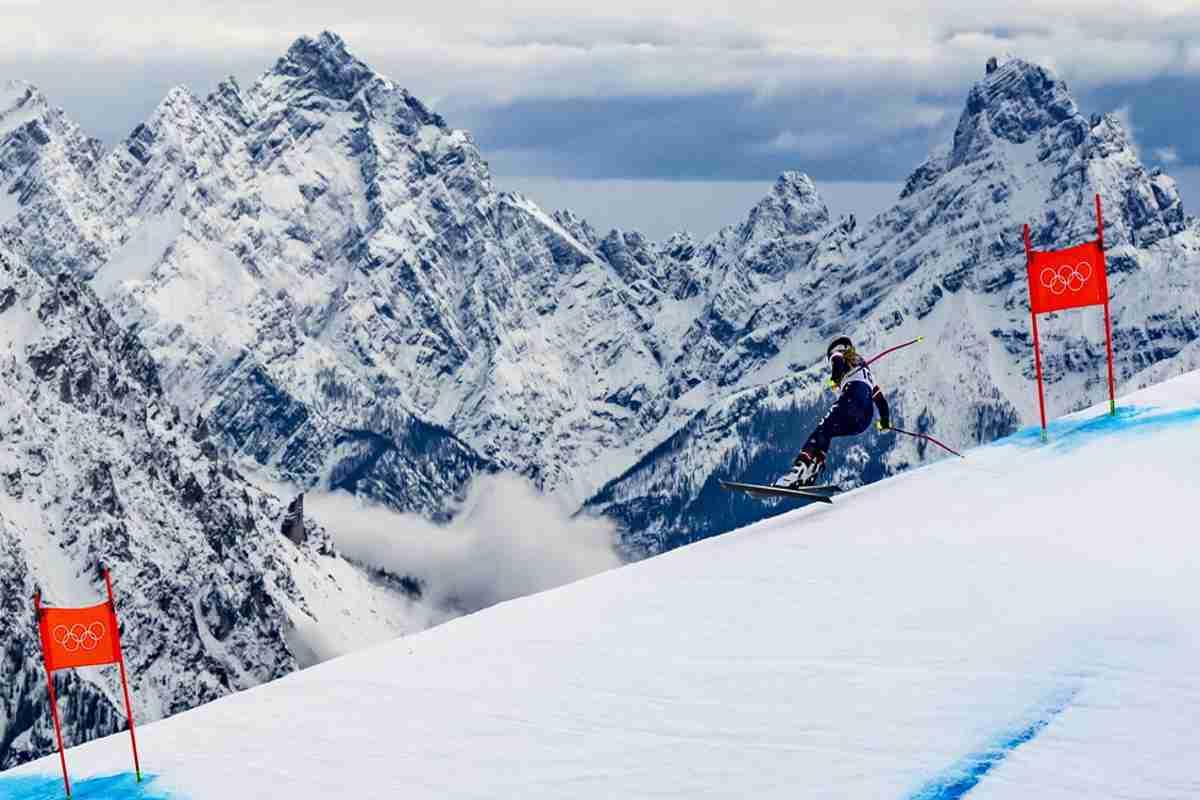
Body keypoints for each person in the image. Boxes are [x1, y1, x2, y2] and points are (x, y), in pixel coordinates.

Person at [775, 336, 891, 489]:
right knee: (827, 432)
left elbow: (838, 362)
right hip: (864, 420)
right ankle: (812, 469)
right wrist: (884, 422)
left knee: (822, 429)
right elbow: (881, 402)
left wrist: (835, 379)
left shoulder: (839, 354)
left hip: (851, 401)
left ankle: (798, 471)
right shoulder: (867, 372)